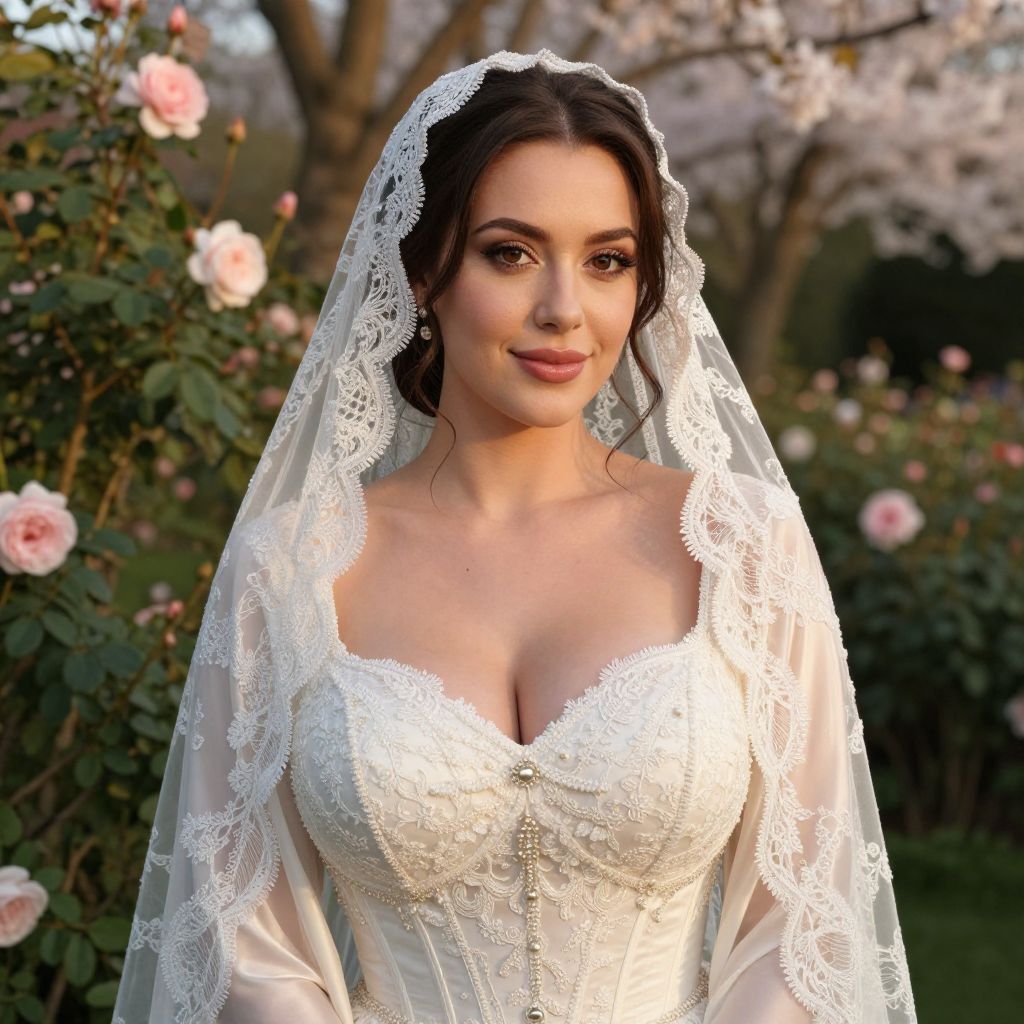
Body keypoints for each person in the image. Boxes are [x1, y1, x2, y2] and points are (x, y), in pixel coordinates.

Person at [112, 49, 917, 1024]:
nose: (563, 310)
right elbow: (242, 931)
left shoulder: (739, 544)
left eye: (607, 261)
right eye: (510, 251)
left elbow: (805, 917)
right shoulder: (294, 562)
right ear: (420, 271)